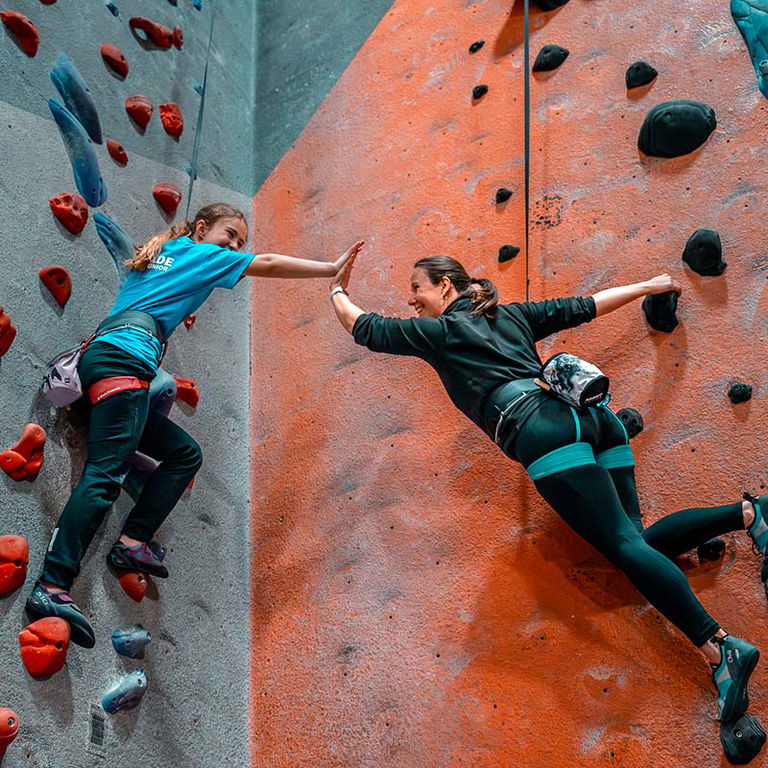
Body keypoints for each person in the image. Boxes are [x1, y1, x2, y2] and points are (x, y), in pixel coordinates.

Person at [328, 248, 765, 724]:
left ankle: (720, 648)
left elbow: (363, 327)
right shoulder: (514, 316)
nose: (411, 300)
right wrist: (647, 286)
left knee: (621, 544)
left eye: (417, 287)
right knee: (634, 544)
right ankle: (750, 514)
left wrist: (336, 286)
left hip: (542, 432)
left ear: (445, 286)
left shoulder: (440, 331)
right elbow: (585, 305)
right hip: (598, 420)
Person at [26, 202, 364, 649]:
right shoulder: (198, 253)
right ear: (202, 228)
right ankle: (51, 586)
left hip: (105, 360)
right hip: (125, 360)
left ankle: (132, 541)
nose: (235, 247)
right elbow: (267, 263)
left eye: (239, 242)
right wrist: (330, 268)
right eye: (230, 235)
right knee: (104, 477)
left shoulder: (163, 254)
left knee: (185, 454)